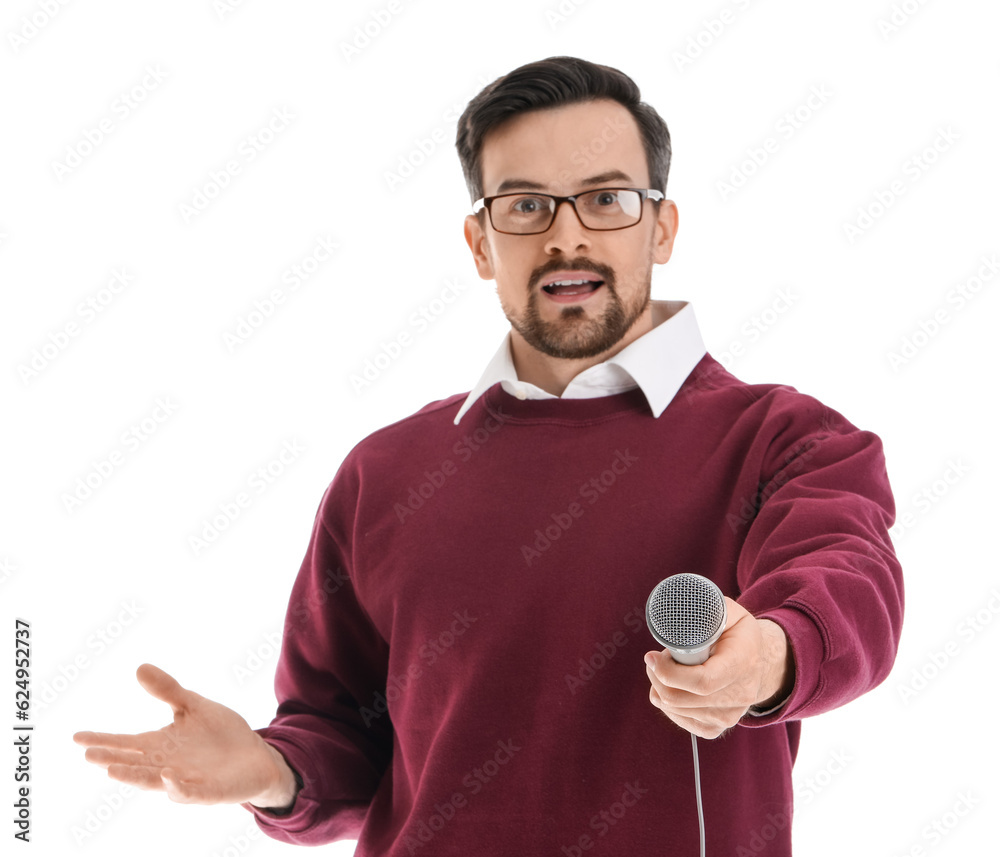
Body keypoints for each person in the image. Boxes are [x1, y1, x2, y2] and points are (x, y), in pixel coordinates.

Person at [74, 56, 904, 855]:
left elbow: (849, 583)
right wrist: (271, 770)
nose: (566, 236)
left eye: (606, 199)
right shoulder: (382, 474)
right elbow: (343, 741)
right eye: (525, 206)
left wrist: (771, 652)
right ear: (480, 243)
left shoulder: (788, 441)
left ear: (662, 228)